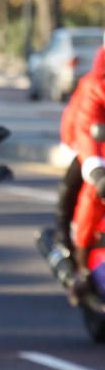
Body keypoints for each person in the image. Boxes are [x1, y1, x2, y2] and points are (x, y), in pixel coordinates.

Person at [66, 35, 105, 302]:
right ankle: (80, 263)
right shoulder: (95, 85)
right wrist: (94, 166)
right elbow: (85, 126)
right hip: (96, 150)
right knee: (93, 192)